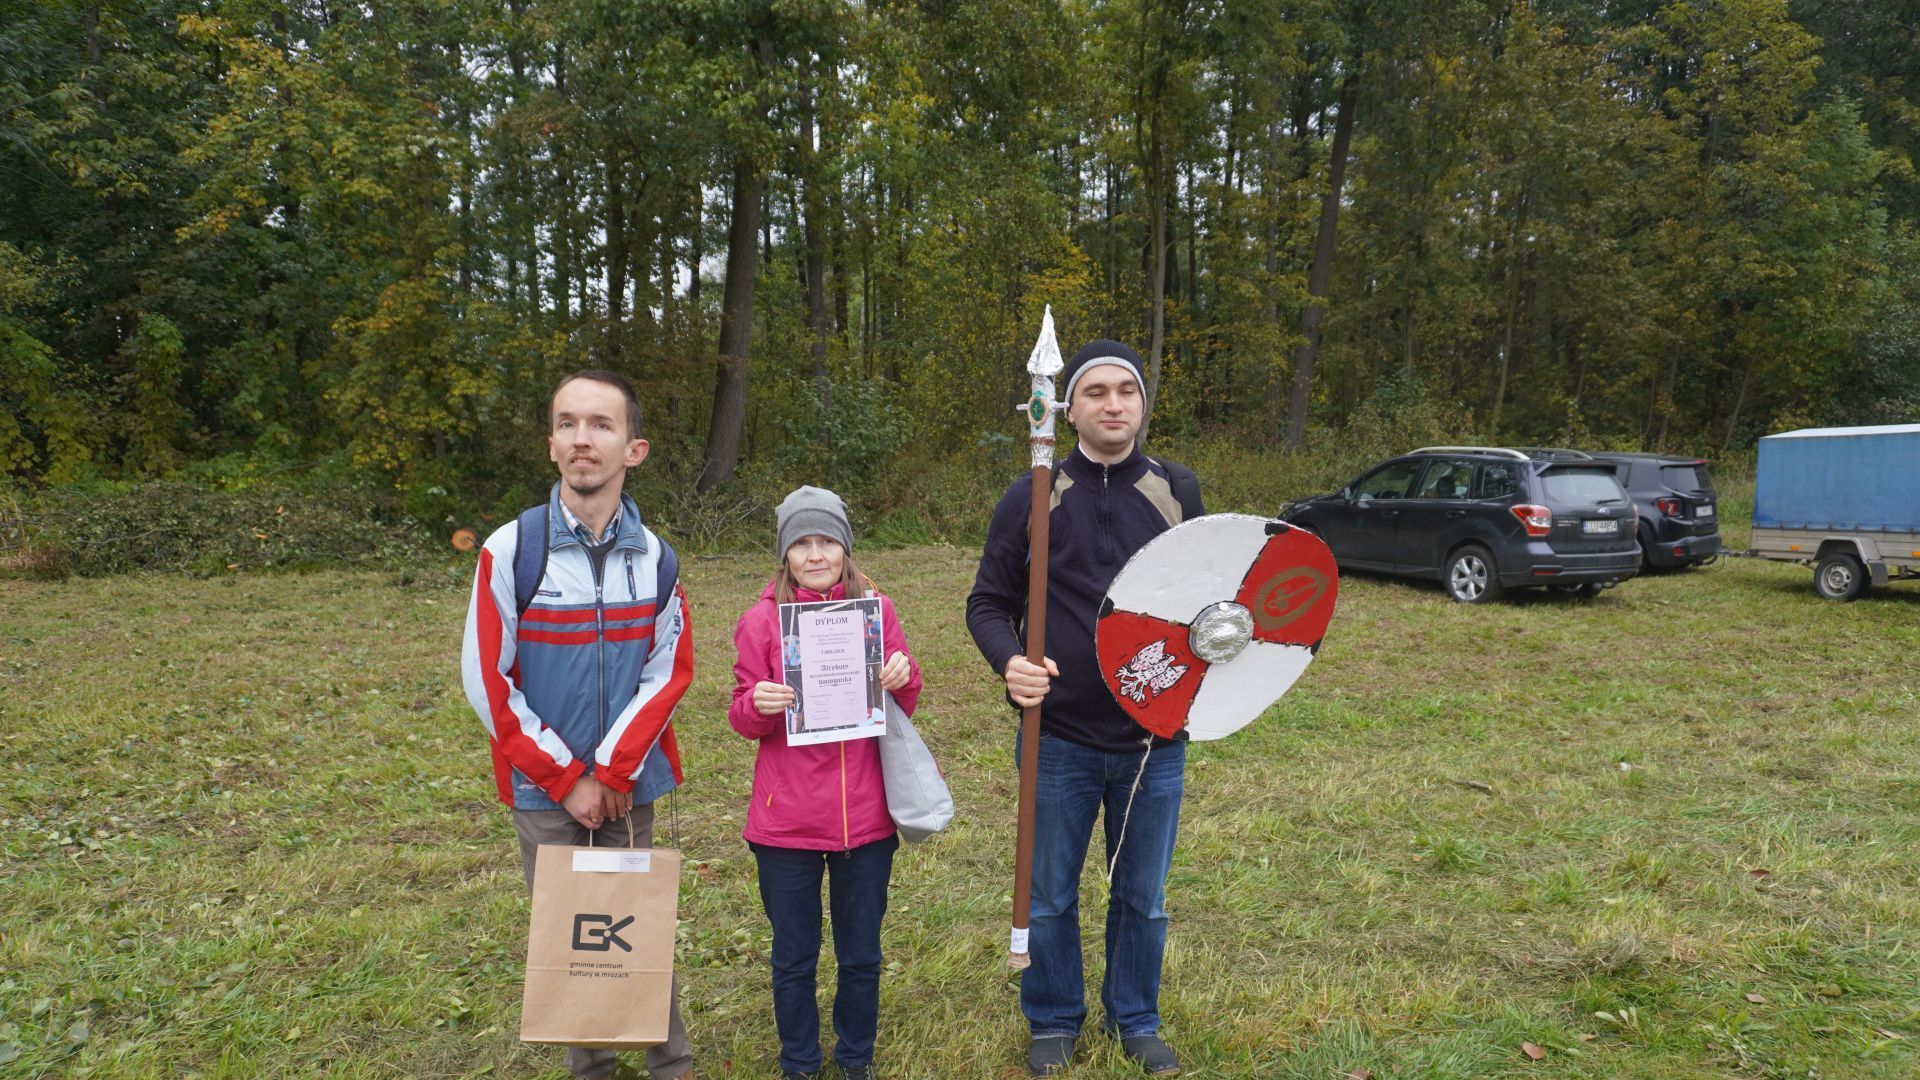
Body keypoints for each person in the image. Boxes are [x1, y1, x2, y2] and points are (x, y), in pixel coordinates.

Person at [966, 341, 1204, 1077]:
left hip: (1151, 742)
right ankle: (1053, 1021)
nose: (1111, 405)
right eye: (1094, 392)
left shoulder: (1177, 490)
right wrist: (1010, 662)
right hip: (1057, 737)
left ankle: (1135, 1018)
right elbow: (987, 603)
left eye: (1124, 392)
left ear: (1141, 404)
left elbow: (1210, 603)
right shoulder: (1033, 492)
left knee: (1144, 897)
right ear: (1069, 408)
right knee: (1048, 898)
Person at [461, 369, 698, 1080]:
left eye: (601, 425)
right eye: (567, 424)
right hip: (545, 790)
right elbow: (486, 681)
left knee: (634, 921)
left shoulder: (655, 558)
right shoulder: (511, 552)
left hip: (629, 784)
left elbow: (670, 670)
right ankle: (590, 1069)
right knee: (573, 930)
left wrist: (615, 770)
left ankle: (671, 1067)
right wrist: (567, 781)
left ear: (635, 448)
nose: (582, 439)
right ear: (551, 444)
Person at [728, 486, 923, 1080]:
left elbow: (906, 701)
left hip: (866, 819)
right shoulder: (761, 621)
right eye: (802, 544)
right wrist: (759, 702)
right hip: (786, 824)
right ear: (785, 554)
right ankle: (800, 1063)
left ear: (845, 547)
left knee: (861, 954)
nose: (816, 555)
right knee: (793, 957)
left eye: (827, 541)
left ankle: (856, 1058)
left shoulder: (876, 612)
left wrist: (901, 674)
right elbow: (741, 715)